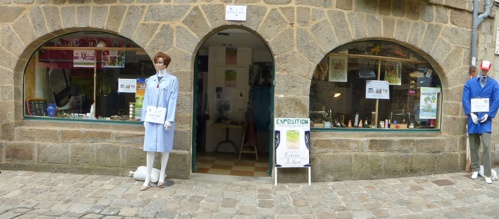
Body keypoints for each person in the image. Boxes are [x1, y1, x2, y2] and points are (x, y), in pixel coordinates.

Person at [140, 52, 179, 191]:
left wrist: (170, 119)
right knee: (149, 148)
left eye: (161, 62)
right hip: (151, 117)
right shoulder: (150, 80)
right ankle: (147, 178)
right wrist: (144, 118)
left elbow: (173, 100)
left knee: (164, 147)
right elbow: (146, 99)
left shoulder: (172, 80)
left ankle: (162, 176)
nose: (158, 64)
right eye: (156, 62)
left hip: (164, 119)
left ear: (166, 63)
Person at [462, 60, 499, 184]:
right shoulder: (470, 83)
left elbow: (496, 100)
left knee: (487, 146)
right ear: (480, 67)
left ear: (489, 69)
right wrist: (470, 113)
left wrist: (489, 115)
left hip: (485, 120)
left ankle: (487, 173)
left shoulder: (494, 84)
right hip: (473, 119)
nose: (484, 71)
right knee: (473, 145)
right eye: (482, 69)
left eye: (486, 70)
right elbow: (465, 98)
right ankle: (476, 169)